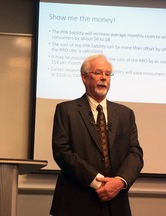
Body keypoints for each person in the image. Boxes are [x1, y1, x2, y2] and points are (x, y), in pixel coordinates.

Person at [50, 54, 143, 216]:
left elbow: (135, 153)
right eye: (98, 73)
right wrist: (98, 182)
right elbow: (62, 151)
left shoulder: (125, 114)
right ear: (84, 78)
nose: (104, 78)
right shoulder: (66, 110)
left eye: (108, 74)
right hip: (76, 202)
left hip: (116, 203)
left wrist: (119, 182)